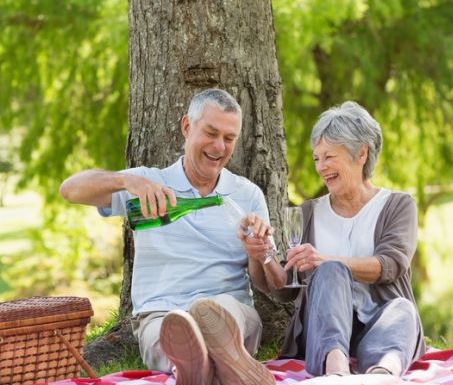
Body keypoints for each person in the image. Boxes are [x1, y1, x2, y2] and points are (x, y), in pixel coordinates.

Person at [59, 88, 276, 385]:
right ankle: (210, 365)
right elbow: (69, 190)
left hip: (230, 309)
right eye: (211, 133)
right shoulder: (150, 184)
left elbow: (264, 284)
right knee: (172, 333)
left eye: (229, 138)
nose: (219, 146)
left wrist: (256, 252)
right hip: (163, 312)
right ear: (187, 127)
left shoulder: (247, 194)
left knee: (221, 312)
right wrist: (125, 179)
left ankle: (195, 368)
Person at [253, 101, 425, 378]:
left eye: (329, 157)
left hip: (379, 329)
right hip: (324, 336)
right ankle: (336, 373)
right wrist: (263, 255)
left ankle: (383, 375)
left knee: (404, 309)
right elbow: (286, 289)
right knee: (330, 272)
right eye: (316, 158)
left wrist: (325, 259)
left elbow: (391, 265)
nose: (321, 167)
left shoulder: (398, 205)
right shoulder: (310, 212)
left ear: (361, 154)